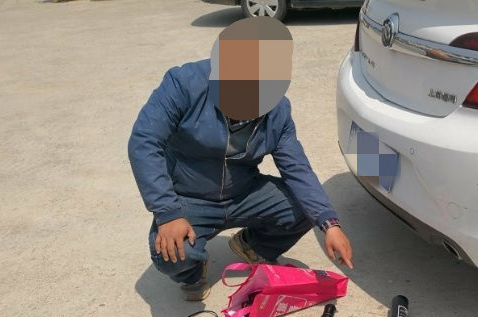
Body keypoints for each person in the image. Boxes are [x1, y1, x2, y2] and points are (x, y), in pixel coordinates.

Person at [128, 17, 353, 301]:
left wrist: (330, 224)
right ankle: (193, 272)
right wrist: (168, 213)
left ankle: (252, 246)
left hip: (244, 192)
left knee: (304, 209)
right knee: (170, 254)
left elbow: (297, 169)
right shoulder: (184, 84)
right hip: (189, 196)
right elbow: (144, 141)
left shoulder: (277, 111)